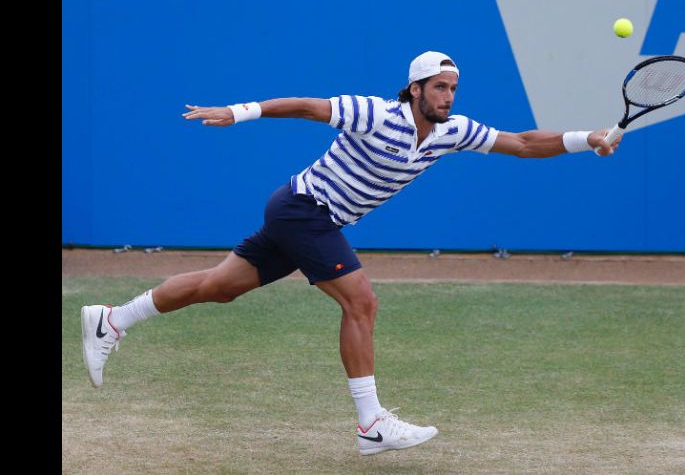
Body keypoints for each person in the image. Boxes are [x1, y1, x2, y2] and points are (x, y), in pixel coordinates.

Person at [81, 51, 620, 456]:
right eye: (439, 87)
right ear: (414, 89)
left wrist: (585, 138)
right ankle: (371, 424)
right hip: (303, 209)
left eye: (453, 88)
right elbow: (309, 106)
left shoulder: (453, 132)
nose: (448, 96)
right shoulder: (376, 113)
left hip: (311, 220)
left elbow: (523, 143)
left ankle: (111, 319)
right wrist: (238, 111)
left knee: (218, 288)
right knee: (360, 302)